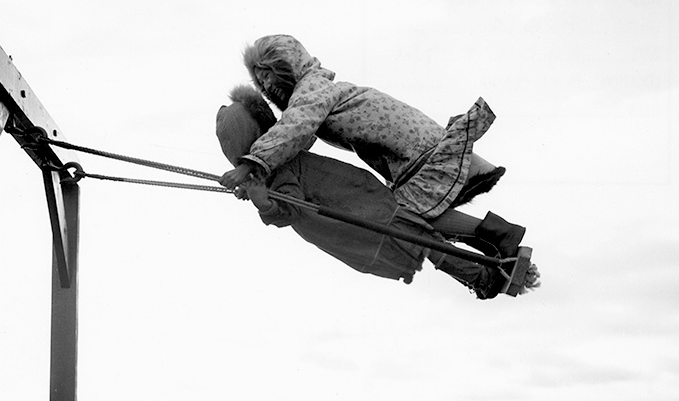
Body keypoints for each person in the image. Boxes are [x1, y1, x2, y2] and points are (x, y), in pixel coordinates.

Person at [216, 85, 537, 298]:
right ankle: (495, 238)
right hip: (360, 202)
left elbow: (289, 206)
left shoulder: (281, 162)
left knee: (422, 240)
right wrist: (261, 197)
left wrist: (260, 194)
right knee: (420, 229)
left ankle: (484, 273)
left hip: (361, 206)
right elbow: (289, 208)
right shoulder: (281, 165)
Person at [219, 34, 506, 222]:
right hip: (409, 149)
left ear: (285, 64)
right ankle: (499, 236)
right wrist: (259, 179)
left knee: (408, 218)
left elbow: (294, 129)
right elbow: (298, 139)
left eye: (267, 74)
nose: (266, 85)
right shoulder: (311, 94)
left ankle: (498, 236)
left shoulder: (312, 90)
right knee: (419, 217)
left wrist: (248, 166)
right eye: (260, 82)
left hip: (415, 151)